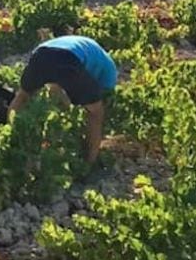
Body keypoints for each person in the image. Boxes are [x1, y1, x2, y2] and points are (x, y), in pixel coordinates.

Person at [8, 35, 117, 164]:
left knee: (23, 97)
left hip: (40, 53)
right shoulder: (110, 70)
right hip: (68, 57)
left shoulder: (92, 52)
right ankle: (90, 161)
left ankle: (9, 137)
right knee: (96, 113)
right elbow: (100, 100)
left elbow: (58, 85)